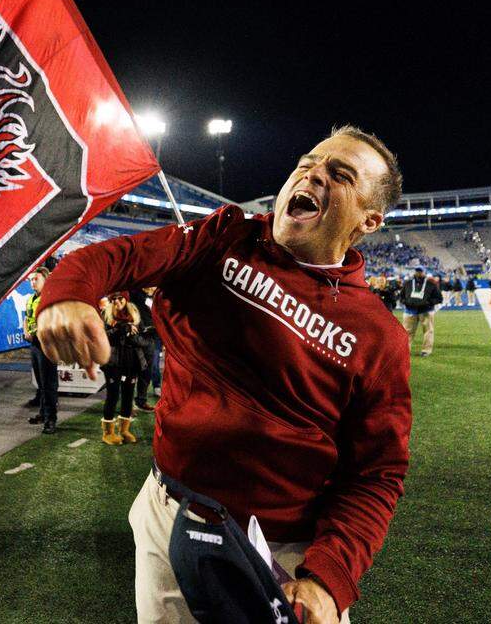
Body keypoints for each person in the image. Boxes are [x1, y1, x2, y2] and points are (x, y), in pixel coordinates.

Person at [37, 126, 411, 623]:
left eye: (339, 175)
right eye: (308, 163)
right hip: (173, 511)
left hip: (286, 551)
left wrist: (328, 578)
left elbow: (377, 473)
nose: (314, 174)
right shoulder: (226, 237)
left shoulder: (378, 335)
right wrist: (67, 293)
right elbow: (117, 257)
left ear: (368, 219)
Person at [99, 292, 144, 445]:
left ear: (126, 299)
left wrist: (135, 336)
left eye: (120, 298)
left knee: (128, 394)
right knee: (112, 395)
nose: (117, 301)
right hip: (113, 361)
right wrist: (121, 329)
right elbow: (102, 336)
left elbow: (143, 339)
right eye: (114, 299)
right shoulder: (106, 314)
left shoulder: (135, 314)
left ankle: (124, 430)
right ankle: (108, 433)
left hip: (131, 361)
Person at [24, 266, 58, 433]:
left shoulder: (51, 299)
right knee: (41, 384)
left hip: (48, 346)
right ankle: (43, 414)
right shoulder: (30, 298)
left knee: (49, 384)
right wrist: (26, 332)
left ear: (46, 280)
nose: (32, 282)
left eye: (36, 279)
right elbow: (26, 318)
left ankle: (51, 419)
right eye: (31, 279)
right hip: (35, 346)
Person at [402, 266, 442, 357]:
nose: (419, 273)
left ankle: (426, 350)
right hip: (410, 311)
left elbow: (439, 298)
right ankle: (405, 350)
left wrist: (429, 303)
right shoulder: (408, 283)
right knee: (406, 332)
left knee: (428, 331)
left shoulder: (430, 284)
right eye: (417, 271)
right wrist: (406, 302)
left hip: (426, 311)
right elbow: (402, 296)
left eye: (420, 271)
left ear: (424, 272)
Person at [131, 286, 159, 412]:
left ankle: (141, 400)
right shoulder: (134, 292)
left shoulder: (156, 296)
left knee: (146, 371)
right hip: (135, 336)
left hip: (151, 338)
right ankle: (127, 404)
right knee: (130, 371)